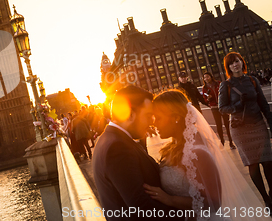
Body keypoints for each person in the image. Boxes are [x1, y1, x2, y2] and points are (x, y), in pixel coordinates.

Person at [145, 90, 269, 220]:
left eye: (158, 118)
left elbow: (214, 203)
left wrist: (170, 200)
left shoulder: (198, 153)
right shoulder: (172, 148)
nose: (154, 123)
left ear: (176, 117)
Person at [92, 85, 183, 220]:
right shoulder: (117, 148)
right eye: (147, 116)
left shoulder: (110, 138)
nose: (151, 123)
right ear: (130, 115)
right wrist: (186, 216)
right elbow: (141, 207)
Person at [219, 52, 272, 207]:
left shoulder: (253, 80)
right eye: (231, 63)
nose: (235, 65)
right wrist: (237, 106)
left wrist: (270, 121)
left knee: (268, 162)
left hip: (258, 125)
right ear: (228, 67)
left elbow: (263, 103)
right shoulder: (226, 85)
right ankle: (266, 200)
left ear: (242, 62)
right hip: (240, 130)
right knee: (253, 164)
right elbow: (222, 108)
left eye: (237, 61)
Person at [202, 72, 235, 149]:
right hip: (214, 108)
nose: (206, 79)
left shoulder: (218, 83)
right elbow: (205, 99)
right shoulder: (205, 88)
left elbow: (225, 93)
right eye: (205, 77)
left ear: (211, 76)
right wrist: (208, 99)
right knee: (218, 125)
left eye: (207, 77)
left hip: (222, 107)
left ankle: (231, 142)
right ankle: (222, 142)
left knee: (227, 124)